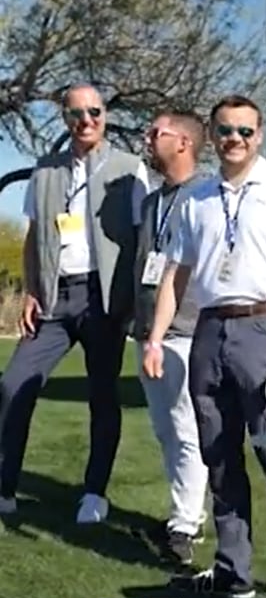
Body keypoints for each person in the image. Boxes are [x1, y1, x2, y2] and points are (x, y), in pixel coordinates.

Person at [144, 95, 266, 598]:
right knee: (219, 456)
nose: (234, 140)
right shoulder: (197, 198)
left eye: (244, 130)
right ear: (213, 137)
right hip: (210, 330)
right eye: (224, 131)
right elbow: (175, 275)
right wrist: (156, 338)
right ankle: (233, 569)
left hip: (265, 324)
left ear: (259, 134)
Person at [0, 84, 148, 524]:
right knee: (13, 385)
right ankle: (5, 488)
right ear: (65, 119)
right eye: (76, 114)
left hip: (103, 299)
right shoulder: (45, 172)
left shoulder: (129, 168)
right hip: (52, 299)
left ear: (104, 115)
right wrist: (31, 290)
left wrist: (135, 303)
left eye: (95, 112)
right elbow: (34, 237)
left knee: (103, 395)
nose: (86, 121)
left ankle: (94, 493)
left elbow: (141, 240)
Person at [132, 109, 209, 566]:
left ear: (182, 142)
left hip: (187, 329)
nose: (148, 137)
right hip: (147, 330)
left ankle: (185, 523)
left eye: (156, 132)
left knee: (185, 430)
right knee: (165, 430)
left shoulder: (207, 196)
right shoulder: (152, 202)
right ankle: (185, 510)